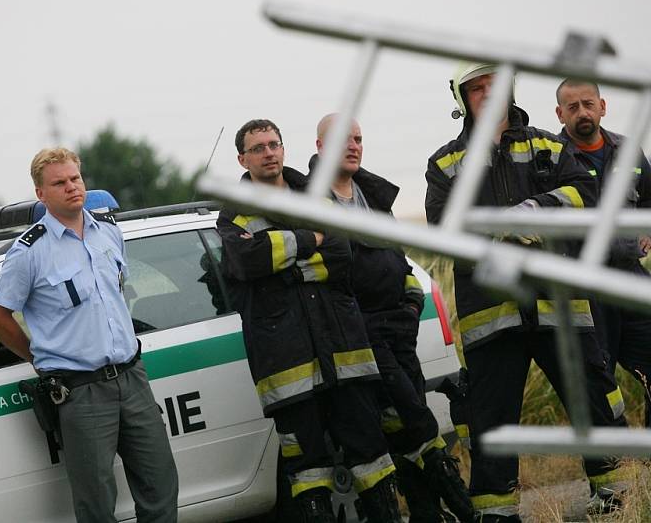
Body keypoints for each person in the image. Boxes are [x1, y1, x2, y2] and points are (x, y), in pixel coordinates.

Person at [424, 63, 629, 521]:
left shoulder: (548, 145)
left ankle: (616, 493)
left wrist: (538, 208)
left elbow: (585, 195)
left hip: (559, 303)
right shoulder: (445, 163)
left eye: (495, 86)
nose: (488, 94)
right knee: (493, 420)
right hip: (491, 315)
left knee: (591, 397)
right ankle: (498, 513)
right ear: (463, 98)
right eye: (477, 89)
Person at [218, 119, 401, 522]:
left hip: (344, 353)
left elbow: (342, 253)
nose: (269, 153)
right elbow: (248, 262)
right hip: (288, 368)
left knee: (372, 457)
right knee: (308, 472)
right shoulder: (233, 216)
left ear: (283, 149)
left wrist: (282, 266)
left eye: (274, 144)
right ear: (242, 159)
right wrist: (309, 240)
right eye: (258, 148)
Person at [0, 147, 178, 523]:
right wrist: (37, 358)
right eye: (59, 183)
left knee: (160, 483)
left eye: (75, 178)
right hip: (81, 390)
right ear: (41, 193)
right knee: (96, 500)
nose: (72, 187)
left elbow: (116, 296)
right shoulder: (29, 252)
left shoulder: (108, 231)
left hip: (132, 377)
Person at [308, 113, 475, 523]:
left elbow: (401, 265)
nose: (353, 146)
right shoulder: (309, 205)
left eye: (358, 139)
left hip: (399, 333)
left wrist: (411, 307)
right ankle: (467, 511)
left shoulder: (373, 196)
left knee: (407, 429)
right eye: (342, 140)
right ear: (320, 148)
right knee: (415, 424)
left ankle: (427, 513)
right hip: (359, 337)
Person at [556, 78, 651, 428]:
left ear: (602, 106)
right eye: (573, 106)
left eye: (588, 103)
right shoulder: (552, 158)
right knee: (597, 379)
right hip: (585, 289)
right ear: (560, 113)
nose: (582, 112)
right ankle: (614, 464)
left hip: (630, 277)